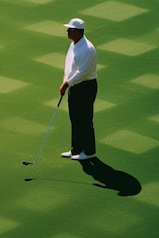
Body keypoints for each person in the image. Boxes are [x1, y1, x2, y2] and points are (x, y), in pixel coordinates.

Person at [59, 18, 98, 161]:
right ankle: (76, 148)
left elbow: (82, 73)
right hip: (74, 86)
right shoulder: (73, 44)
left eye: (70, 29)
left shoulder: (88, 49)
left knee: (85, 119)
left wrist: (66, 84)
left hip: (86, 87)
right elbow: (69, 65)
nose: (67, 31)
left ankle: (89, 151)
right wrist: (65, 80)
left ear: (78, 32)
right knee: (75, 118)